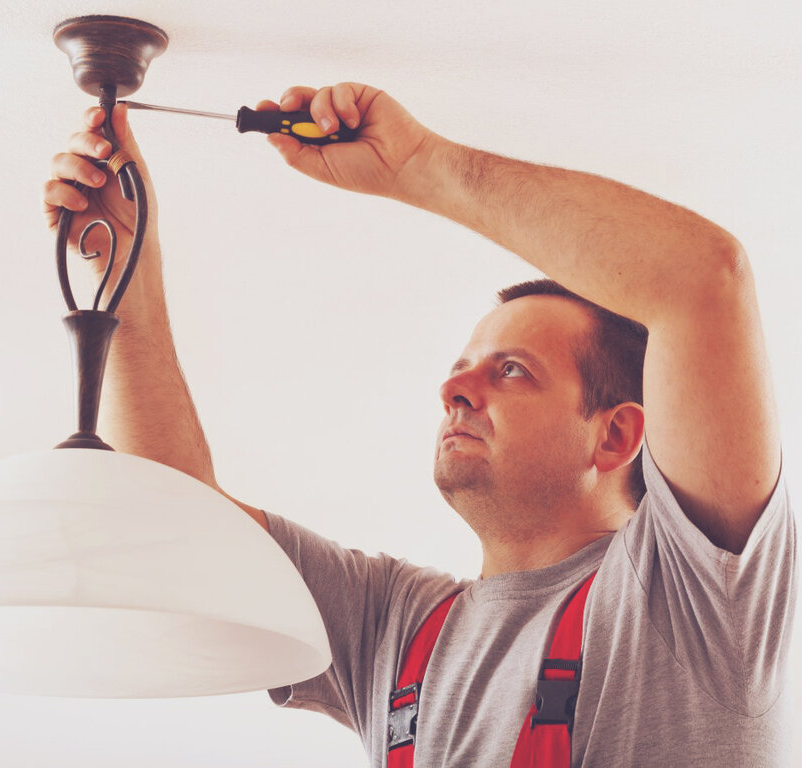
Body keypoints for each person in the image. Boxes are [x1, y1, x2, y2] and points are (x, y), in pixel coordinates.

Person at [43, 83, 796, 766]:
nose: (454, 389)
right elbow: (178, 516)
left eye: (511, 370)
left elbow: (704, 277)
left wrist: (416, 165)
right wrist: (123, 270)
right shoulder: (394, 627)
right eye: (463, 367)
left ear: (616, 436)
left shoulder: (695, 599)